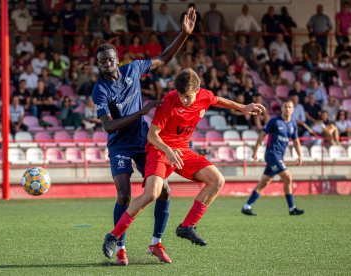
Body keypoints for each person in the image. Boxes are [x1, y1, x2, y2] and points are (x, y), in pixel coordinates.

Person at [102, 68, 265, 261]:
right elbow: (152, 135)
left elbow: (218, 100)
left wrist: (243, 107)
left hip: (183, 151)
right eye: (181, 96)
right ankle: (113, 235)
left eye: (188, 97)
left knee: (217, 180)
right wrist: (168, 151)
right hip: (160, 151)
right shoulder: (169, 101)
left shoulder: (204, 95)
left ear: (197, 90)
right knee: (152, 194)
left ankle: (187, 226)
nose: (184, 100)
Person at [93, 7, 197, 266]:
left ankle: (155, 243)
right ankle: (120, 249)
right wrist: (142, 111)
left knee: (164, 192)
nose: (106, 63)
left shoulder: (133, 70)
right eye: (101, 61)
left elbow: (163, 57)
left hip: (142, 143)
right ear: (98, 64)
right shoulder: (99, 90)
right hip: (119, 147)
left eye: (110, 59)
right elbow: (109, 126)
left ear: (117, 59)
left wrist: (183, 35)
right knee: (123, 196)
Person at [241, 100, 304, 216]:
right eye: (285, 107)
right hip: (271, 155)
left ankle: (247, 206)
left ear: (293, 109)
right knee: (288, 177)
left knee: (264, 182)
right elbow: (262, 135)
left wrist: (300, 155)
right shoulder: (274, 121)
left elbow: (296, 141)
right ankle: (292, 208)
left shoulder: (293, 124)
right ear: (281, 109)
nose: (287, 109)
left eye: (289, 107)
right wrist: (255, 151)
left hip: (279, 157)